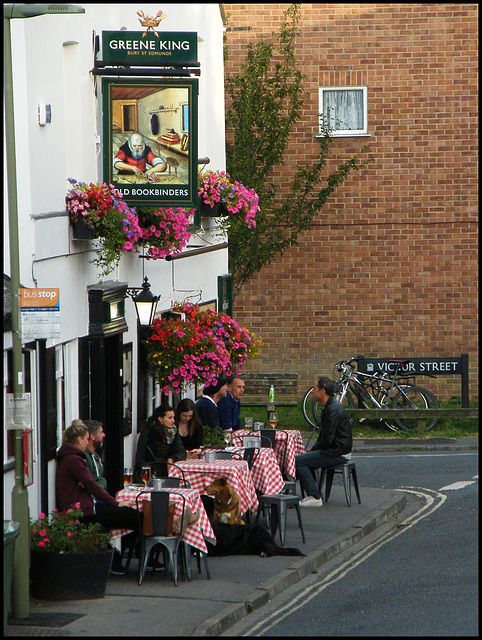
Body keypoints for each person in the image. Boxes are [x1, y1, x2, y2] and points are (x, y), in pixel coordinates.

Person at [55, 420, 140, 574]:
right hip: (84, 511)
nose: (88, 442)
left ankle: (119, 560)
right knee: (132, 516)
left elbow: (86, 483)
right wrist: (115, 503)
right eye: (87, 438)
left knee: (130, 515)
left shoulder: (70, 457)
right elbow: (91, 484)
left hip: (86, 507)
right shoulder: (74, 460)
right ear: (80, 439)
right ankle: (132, 558)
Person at [295, 376, 353, 507]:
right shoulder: (329, 406)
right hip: (336, 450)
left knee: (298, 461)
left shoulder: (332, 409)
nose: (312, 391)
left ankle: (315, 496)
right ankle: (314, 492)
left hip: (337, 452)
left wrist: (314, 450)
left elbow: (328, 438)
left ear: (322, 391)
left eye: (314, 388)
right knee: (304, 458)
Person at [134, 404, 186, 482]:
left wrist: (172, 459)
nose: (173, 421)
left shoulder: (174, 432)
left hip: (168, 472)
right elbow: (140, 458)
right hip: (150, 474)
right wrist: (152, 469)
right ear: (160, 419)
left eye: (173, 417)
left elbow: (182, 452)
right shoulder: (148, 433)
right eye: (170, 418)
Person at [83, 419, 107, 490]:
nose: (104, 435)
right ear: (92, 436)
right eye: (101, 432)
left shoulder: (95, 455)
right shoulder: (85, 457)